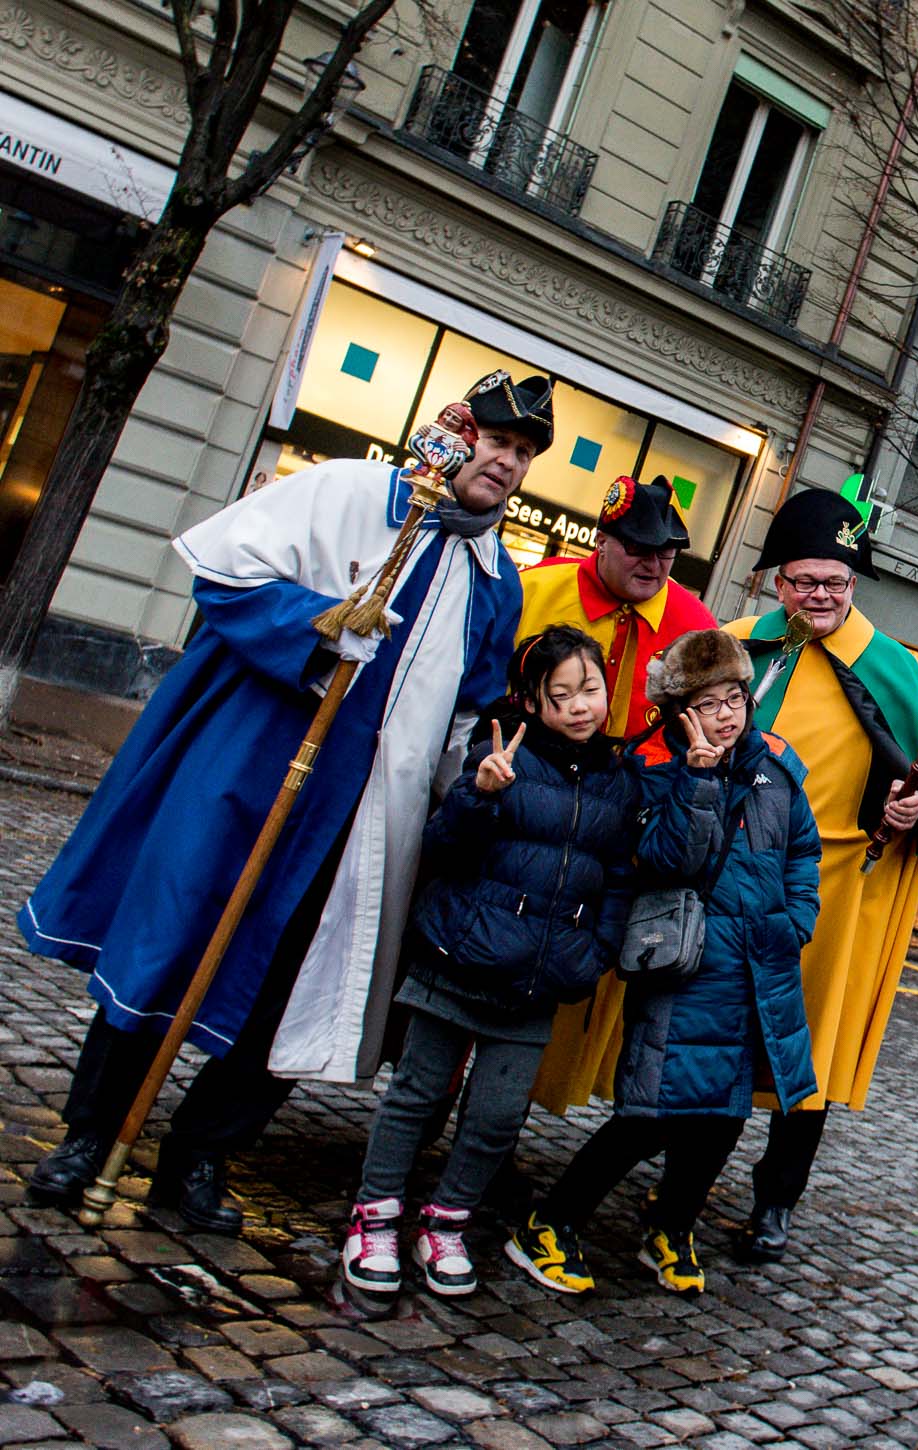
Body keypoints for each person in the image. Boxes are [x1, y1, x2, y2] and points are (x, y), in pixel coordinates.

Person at [18, 370, 548, 1230]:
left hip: (364, 816)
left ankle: (199, 1155)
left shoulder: (496, 580)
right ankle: (91, 1133)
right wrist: (322, 625)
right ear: (462, 435)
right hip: (253, 763)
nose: (506, 461)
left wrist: (474, 782)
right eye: (496, 441)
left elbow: (469, 706)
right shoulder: (354, 493)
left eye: (522, 454)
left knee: (293, 978)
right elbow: (224, 576)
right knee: (172, 930)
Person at [509, 628, 821, 1297]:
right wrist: (701, 779)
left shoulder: (774, 761)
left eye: (736, 697)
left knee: (725, 1116)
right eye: (710, 704)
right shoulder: (651, 767)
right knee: (649, 1113)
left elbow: (803, 849)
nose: (729, 714)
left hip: (760, 966)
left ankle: (672, 1225)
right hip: (686, 965)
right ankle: (549, 1223)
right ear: (680, 711)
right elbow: (669, 862)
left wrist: (797, 920)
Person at [345, 626, 635, 1296]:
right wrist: (477, 793)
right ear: (530, 702)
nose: (580, 706)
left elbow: (618, 876)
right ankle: (376, 1216)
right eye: (560, 695)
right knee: (417, 1095)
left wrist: (595, 952)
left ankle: (447, 1224)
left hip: (539, 978)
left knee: (498, 1115)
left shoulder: (617, 780)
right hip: (462, 959)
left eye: (589, 688)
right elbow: (443, 847)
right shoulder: (499, 755)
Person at [717, 483, 918, 1262]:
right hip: (729, 880)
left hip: (834, 890)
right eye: (805, 581)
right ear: (774, 581)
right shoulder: (737, 646)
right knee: (718, 1033)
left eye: (837, 583)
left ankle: (775, 1201)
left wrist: (907, 815)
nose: (821, 597)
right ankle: (687, 1178)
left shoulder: (889, 668)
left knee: (806, 1054)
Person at [513, 475, 716, 739]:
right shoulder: (531, 589)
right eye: (637, 547)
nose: (653, 564)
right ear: (601, 541)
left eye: (666, 551)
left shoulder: (697, 625)